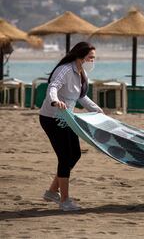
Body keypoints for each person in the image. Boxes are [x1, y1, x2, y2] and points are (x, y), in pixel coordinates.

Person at [39, 41, 103, 211]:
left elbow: (81, 97)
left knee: (74, 154)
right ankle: (65, 200)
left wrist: (96, 109)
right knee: (65, 156)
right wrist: (55, 100)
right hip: (52, 118)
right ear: (80, 56)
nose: (93, 61)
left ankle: (53, 191)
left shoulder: (82, 73)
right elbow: (53, 87)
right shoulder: (65, 70)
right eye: (90, 57)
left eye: (94, 58)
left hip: (68, 118)